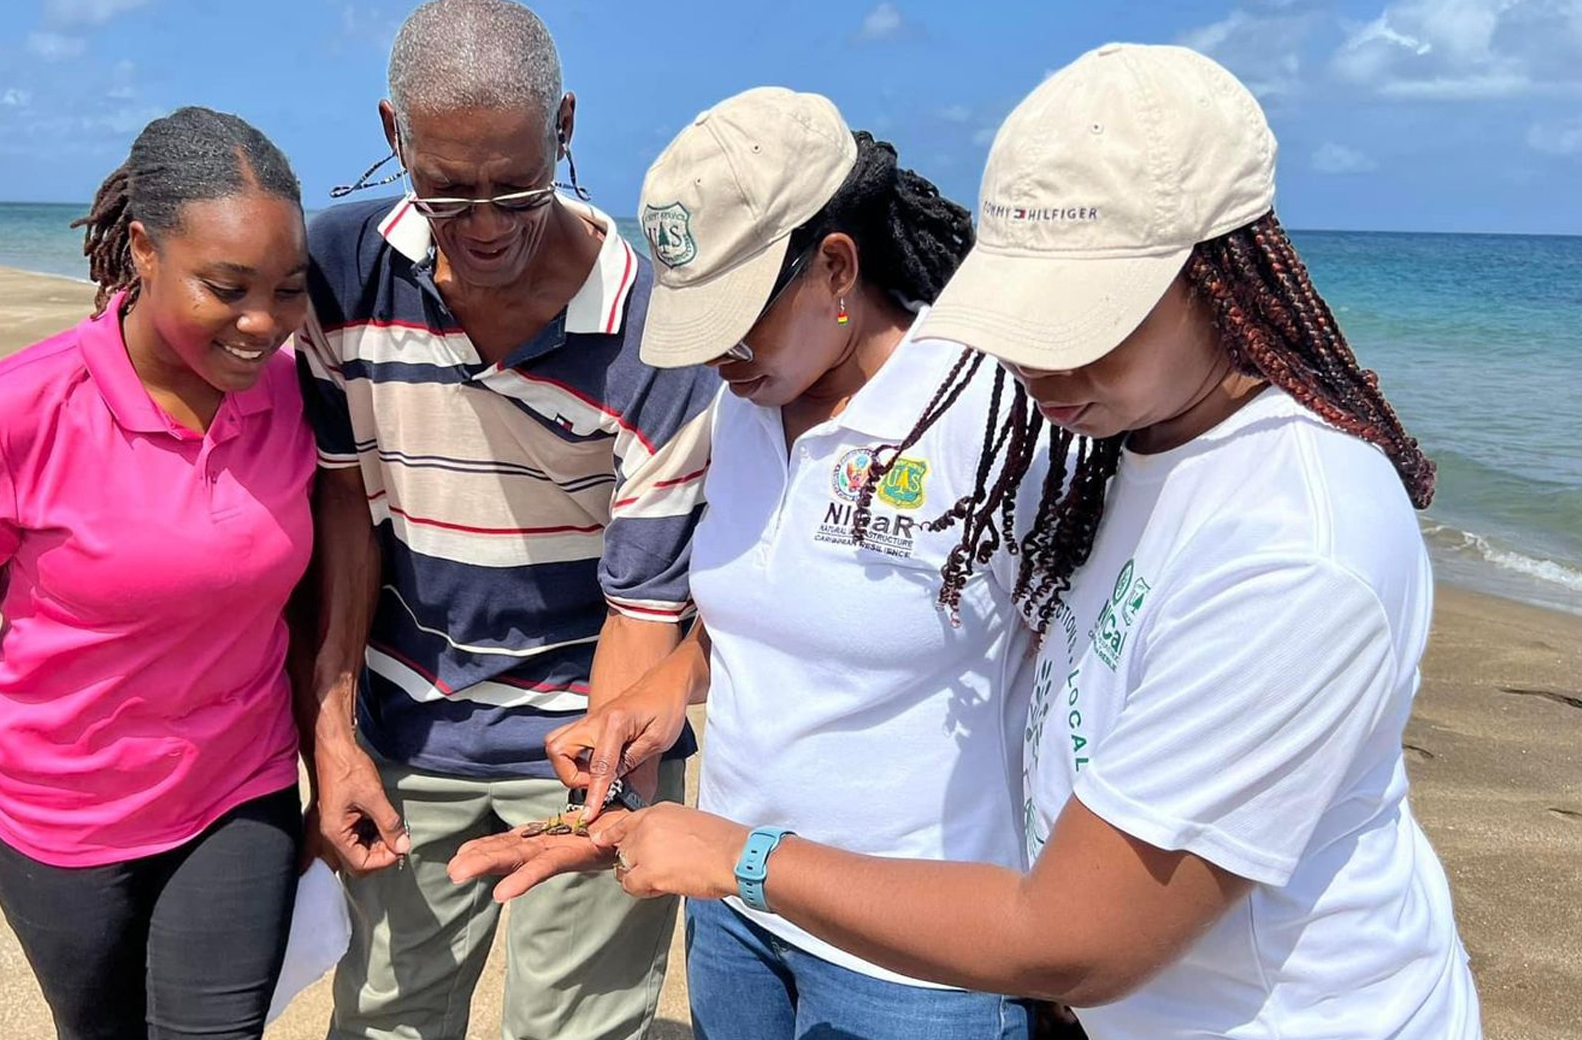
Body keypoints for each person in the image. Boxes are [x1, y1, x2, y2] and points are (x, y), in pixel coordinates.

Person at [569, 44, 1484, 1040]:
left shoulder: (1294, 543)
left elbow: (1073, 936)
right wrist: (675, 694)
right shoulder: (1127, 443)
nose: (1038, 358)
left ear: (1217, 276)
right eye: (1020, 310)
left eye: (1083, 317)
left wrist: (739, 854)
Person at [452, 86, 1039, 1039]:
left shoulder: (992, 410)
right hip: (733, 913)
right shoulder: (749, 404)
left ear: (837, 269)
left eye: (738, 320)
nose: (718, 356)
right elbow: (776, 613)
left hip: (920, 958)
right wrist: (665, 689)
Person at [293, 2, 717, 1038]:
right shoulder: (339, 271)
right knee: (387, 1015)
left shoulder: (659, 332)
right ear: (394, 135)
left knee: (575, 1027)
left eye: (517, 188)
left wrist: (592, 797)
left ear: (565, 125)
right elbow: (345, 505)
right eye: (447, 192)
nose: (484, 224)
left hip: (586, 724)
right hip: (405, 725)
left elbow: (644, 602)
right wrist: (333, 728)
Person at [0, 106, 316, 1040]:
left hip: (238, 788)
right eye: (227, 286)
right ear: (141, 249)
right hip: (59, 816)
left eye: (289, 290)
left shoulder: (293, 397)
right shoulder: (5, 414)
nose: (264, 324)